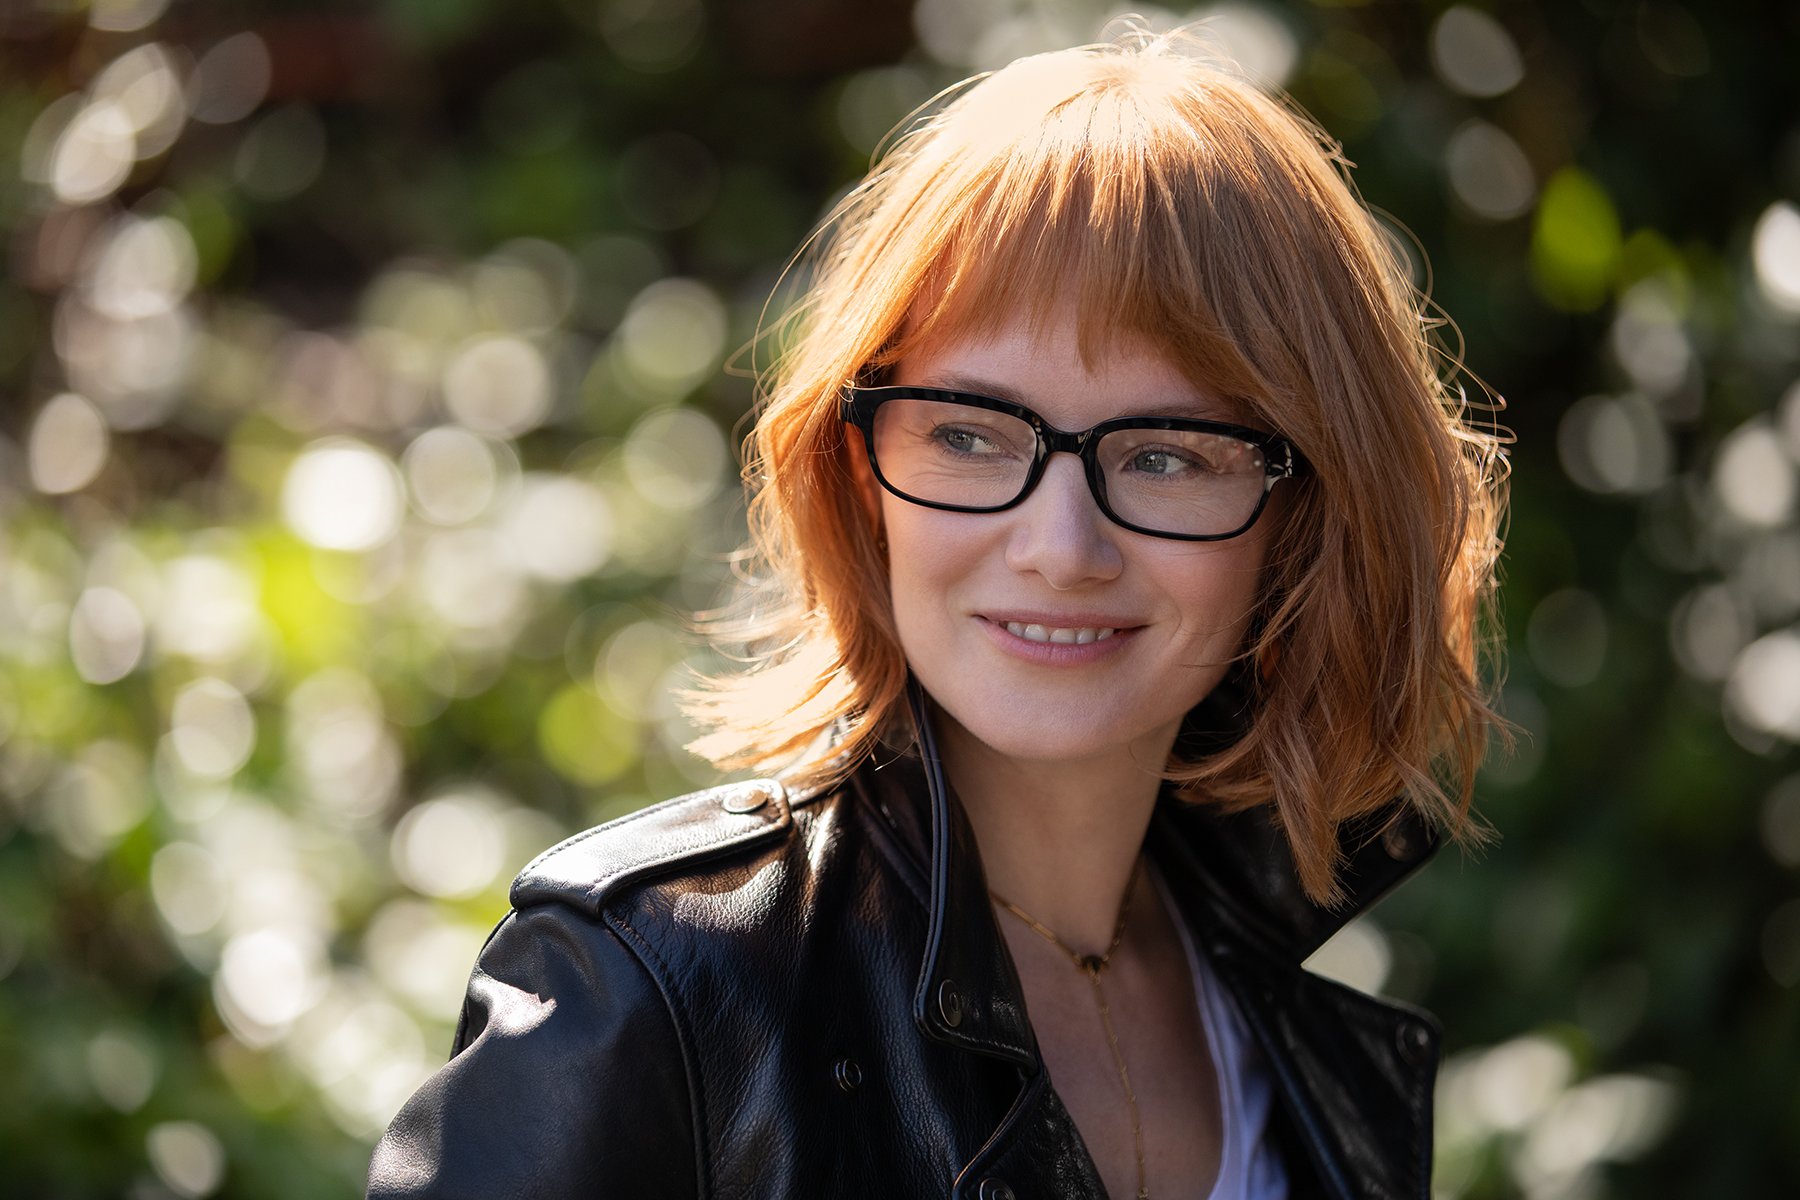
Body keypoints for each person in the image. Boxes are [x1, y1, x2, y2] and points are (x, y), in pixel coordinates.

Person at [368, 27, 1506, 1200]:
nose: (1062, 550)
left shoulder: (1297, 1044)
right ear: (859, 473)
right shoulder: (648, 994)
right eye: (969, 435)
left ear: (1308, 517)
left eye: (1168, 455)